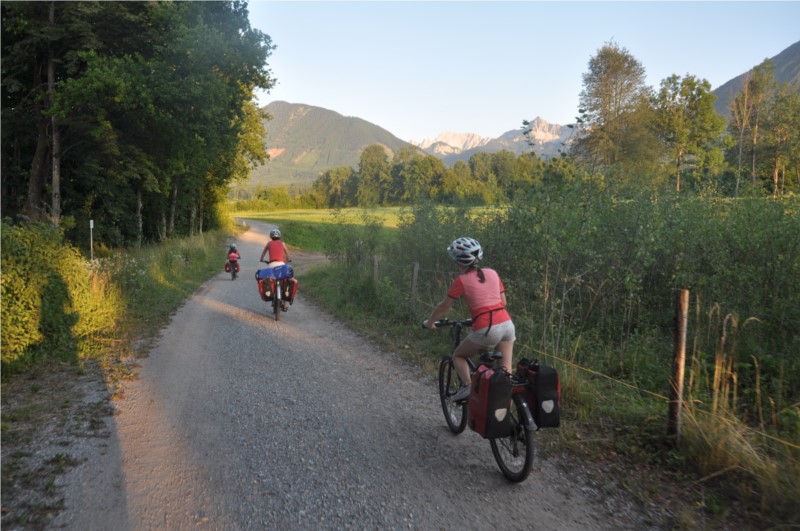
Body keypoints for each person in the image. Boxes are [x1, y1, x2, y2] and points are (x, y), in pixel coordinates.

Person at [424, 237, 516, 402]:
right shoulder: (493, 273)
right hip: (508, 325)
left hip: (487, 328)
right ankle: (507, 410)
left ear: (458, 262)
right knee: (506, 373)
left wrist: (430, 323)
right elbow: (503, 302)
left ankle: (467, 386)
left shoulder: (462, 280)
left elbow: (443, 307)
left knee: (458, 356)